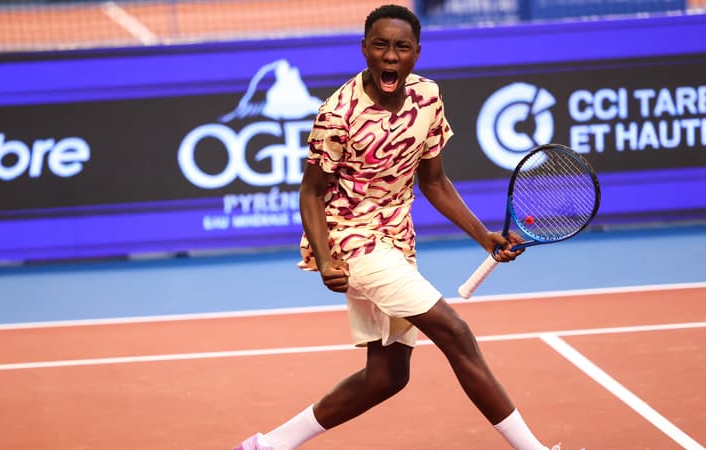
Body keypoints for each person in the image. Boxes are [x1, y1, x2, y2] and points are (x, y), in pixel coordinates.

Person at [235, 4, 556, 449]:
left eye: (401, 47)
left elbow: (434, 181)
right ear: (364, 48)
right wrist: (325, 259)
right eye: (380, 45)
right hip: (351, 238)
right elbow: (310, 192)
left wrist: (484, 237)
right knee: (455, 332)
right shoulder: (338, 113)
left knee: (386, 376)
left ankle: (267, 445)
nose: (390, 56)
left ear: (416, 52)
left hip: (396, 239)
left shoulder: (428, 97)